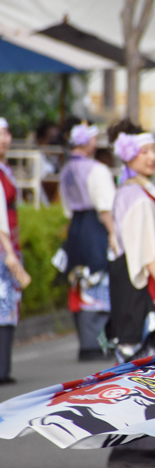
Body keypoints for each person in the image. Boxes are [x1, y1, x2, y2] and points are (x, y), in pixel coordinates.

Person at [105, 120, 155, 467]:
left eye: (153, 149)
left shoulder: (128, 190)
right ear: (129, 155)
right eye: (144, 151)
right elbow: (149, 254)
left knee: (138, 362)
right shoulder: (139, 197)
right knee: (145, 364)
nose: (152, 156)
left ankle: (141, 444)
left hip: (124, 283)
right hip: (139, 285)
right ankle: (133, 448)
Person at [57, 123, 117, 361]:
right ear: (87, 142)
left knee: (81, 281)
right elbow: (105, 206)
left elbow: (65, 208)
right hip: (96, 227)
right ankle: (100, 343)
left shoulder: (66, 170)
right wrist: (113, 233)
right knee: (100, 280)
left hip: (76, 227)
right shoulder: (96, 169)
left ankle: (87, 342)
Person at [0, 118, 30, 386]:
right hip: (3, 247)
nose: (5, 138)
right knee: (3, 306)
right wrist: (8, 250)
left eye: (7, 133)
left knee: (8, 307)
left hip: (9, 244)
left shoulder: (5, 168)